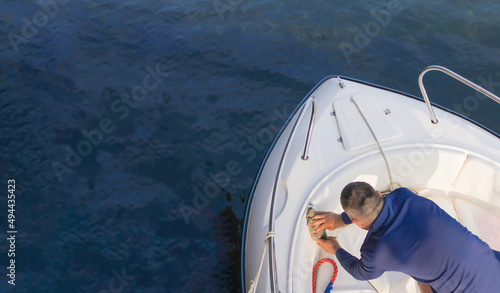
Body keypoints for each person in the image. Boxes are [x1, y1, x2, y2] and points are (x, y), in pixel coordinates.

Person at [313, 181, 500, 293]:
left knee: (421, 274)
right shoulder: (403, 195)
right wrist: (340, 219)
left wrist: (335, 249)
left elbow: (359, 272)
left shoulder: (375, 251)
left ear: (357, 222)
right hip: (493, 264)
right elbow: (386, 200)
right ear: (378, 194)